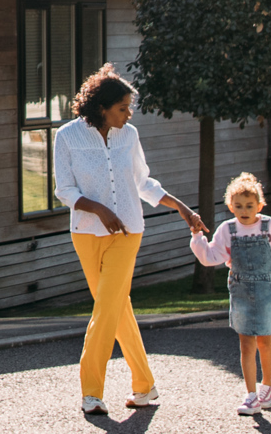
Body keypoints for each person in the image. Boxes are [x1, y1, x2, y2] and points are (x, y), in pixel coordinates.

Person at [54, 64, 202, 415]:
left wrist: (181, 207)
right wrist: (100, 210)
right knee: (118, 309)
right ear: (101, 106)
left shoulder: (129, 135)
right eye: (122, 107)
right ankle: (145, 386)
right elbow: (65, 190)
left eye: (129, 107)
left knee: (105, 310)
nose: (128, 113)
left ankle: (91, 391)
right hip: (86, 234)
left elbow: (143, 182)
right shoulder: (67, 136)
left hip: (127, 232)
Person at [189, 172, 271, 416]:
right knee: (246, 344)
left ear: (259, 205)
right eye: (238, 206)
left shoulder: (270, 227)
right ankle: (250, 395)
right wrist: (197, 237)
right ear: (230, 206)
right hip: (241, 292)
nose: (244, 210)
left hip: (268, 290)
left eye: (249, 205)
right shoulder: (228, 229)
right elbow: (211, 256)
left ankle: (266, 386)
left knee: (264, 342)